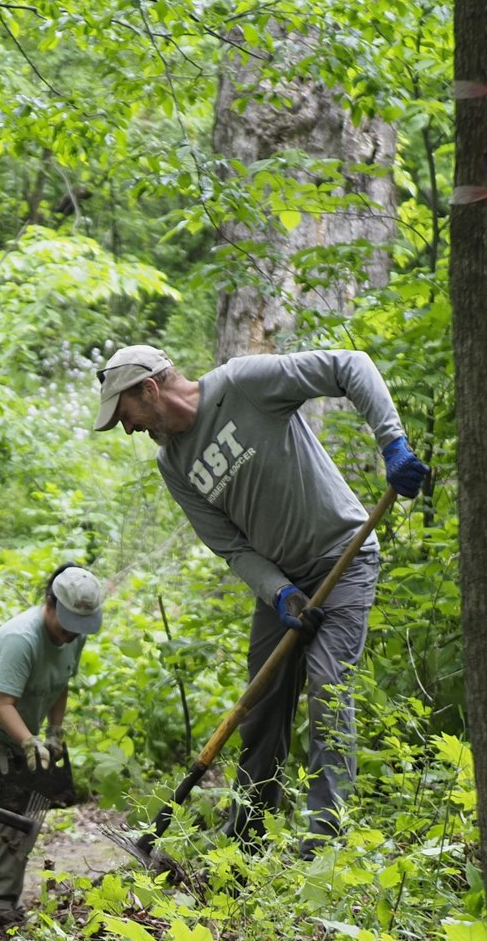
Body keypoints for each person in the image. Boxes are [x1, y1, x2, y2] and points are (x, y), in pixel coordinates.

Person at [93, 344, 429, 850]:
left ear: (150, 388)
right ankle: (247, 839)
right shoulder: (174, 465)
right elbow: (229, 544)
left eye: (126, 414)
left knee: (328, 689)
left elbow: (350, 366)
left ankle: (324, 840)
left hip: (344, 557)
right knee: (263, 705)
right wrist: (279, 593)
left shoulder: (244, 383)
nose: (128, 428)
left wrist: (392, 443)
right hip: (285, 582)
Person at [0, 565, 107, 928]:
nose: (70, 635)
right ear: (50, 604)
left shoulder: (74, 635)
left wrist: (55, 730)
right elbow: (2, 704)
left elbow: (60, 683)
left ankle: (5, 900)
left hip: (21, 730)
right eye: (66, 626)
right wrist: (29, 741)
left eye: (78, 628)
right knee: (8, 809)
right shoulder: (20, 639)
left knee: (29, 811)